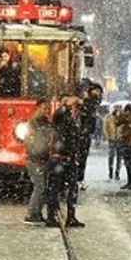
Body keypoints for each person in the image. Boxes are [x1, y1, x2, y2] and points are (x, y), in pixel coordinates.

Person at [45, 94, 85, 228]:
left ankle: (71, 217)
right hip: (58, 159)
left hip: (70, 158)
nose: (74, 108)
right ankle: (51, 217)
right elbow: (58, 114)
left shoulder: (74, 118)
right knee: (54, 189)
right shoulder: (60, 117)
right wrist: (66, 105)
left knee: (73, 189)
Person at [19, 99, 52, 225]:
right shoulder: (34, 123)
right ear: (38, 108)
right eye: (44, 108)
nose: (47, 111)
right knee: (40, 187)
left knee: (41, 187)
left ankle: (36, 213)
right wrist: (37, 155)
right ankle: (32, 214)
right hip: (36, 159)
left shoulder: (42, 122)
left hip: (41, 158)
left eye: (48, 109)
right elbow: (33, 143)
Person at [76, 82, 102, 190]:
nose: (98, 93)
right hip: (82, 133)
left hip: (85, 133)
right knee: (80, 157)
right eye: (96, 91)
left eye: (99, 92)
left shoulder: (92, 102)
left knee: (82, 157)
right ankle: (78, 179)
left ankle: (79, 178)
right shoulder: (88, 102)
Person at [102, 104, 123, 180]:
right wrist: (108, 136)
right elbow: (105, 127)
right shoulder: (109, 117)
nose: (118, 109)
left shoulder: (122, 118)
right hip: (112, 139)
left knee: (119, 157)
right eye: (116, 107)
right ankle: (110, 172)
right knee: (111, 156)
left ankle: (117, 172)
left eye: (119, 107)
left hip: (120, 140)